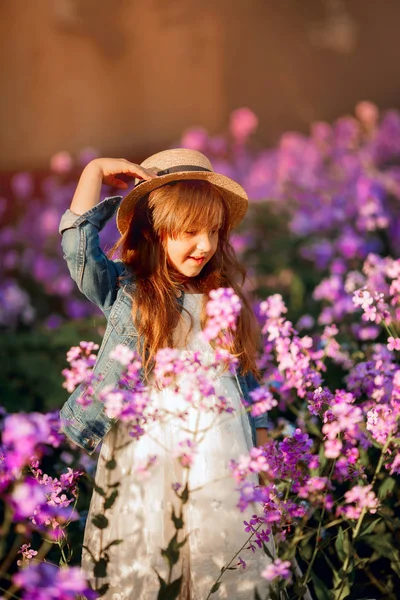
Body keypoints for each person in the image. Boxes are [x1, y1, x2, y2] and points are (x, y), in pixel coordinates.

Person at [59, 149, 273, 599]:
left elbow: (246, 383)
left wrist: (266, 457)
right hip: (147, 446)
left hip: (218, 443)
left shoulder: (221, 296)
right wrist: (94, 171)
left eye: (214, 232)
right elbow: (77, 250)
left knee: (218, 551)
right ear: (155, 232)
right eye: (190, 232)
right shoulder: (129, 289)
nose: (205, 246)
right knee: (150, 550)